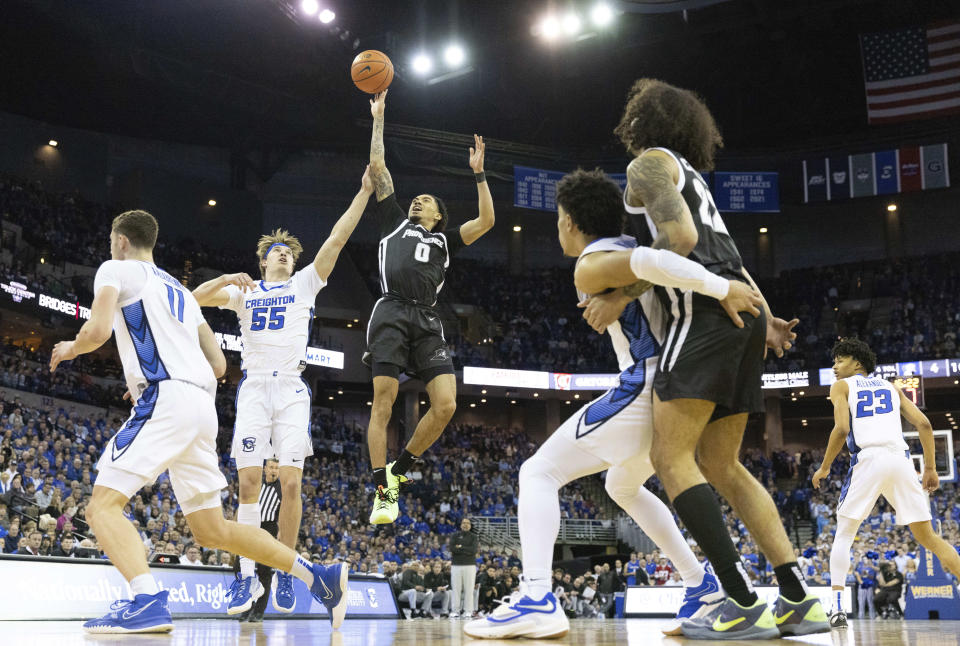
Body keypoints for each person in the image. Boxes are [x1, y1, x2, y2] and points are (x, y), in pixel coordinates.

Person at [465, 168, 764, 640]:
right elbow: (657, 260)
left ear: (570, 221)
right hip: (673, 387)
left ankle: (538, 596)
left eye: (559, 217)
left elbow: (659, 263)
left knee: (537, 472)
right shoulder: (624, 245)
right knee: (622, 486)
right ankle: (701, 584)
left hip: (644, 386)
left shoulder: (593, 260)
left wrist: (722, 288)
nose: (557, 226)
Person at [578, 79, 824, 640]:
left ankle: (738, 600)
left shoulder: (646, 166)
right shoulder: (690, 175)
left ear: (640, 122)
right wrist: (769, 316)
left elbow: (681, 240)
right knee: (723, 465)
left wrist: (620, 293)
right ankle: (796, 599)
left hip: (706, 316)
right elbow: (725, 250)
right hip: (742, 309)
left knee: (670, 457)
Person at [49, 209, 348, 634]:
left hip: (166, 398)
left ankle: (146, 599)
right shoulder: (177, 291)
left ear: (119, 241)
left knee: (101, 507)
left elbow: (97, 331)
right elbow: (219, 363)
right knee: (212, 530)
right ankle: (316, 576)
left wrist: (70, 348)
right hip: (200, 407)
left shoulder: (115, 269)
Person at [192, 169, 373, 615]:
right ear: (263, 262)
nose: (284, 256)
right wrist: (226, 280)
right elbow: (192, 298)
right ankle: (247, 578)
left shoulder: (304, 283)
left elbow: (336, 238)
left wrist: (364, 190)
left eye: (289, 253)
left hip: (291, 388)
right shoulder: (245, 291)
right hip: (253, 387)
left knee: (291, 482)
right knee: (249, 482)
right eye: (277, 252)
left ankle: (289, 572)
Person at [365, 90, 495, 524]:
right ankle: (383, 491)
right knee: (383, 401)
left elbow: (489, 222)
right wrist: (379, 118)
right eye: (415, 198)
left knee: (445, 405)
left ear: (439, 215)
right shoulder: (393, 220)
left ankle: (400, 471)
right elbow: (379, 169)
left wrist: (479, 175)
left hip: (426, 316)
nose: (417, 201)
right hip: (390, 310)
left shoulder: (445, 239)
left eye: (426, 200)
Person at [812, 338, 960, 628]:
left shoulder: (841, 387)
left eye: (839, 360)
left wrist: (825, 466)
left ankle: (838, 609)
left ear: (857, 363)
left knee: (844, 533)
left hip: (869, 459)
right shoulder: (893, 387)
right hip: (901, 459)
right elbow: (925, 425)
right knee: (928, 537)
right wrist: (929, 467)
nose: (834, 366)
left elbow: (841, 428)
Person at [235, 457, 283, 623]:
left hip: (269, 529)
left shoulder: (281, 489)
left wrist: (280, 534)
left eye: (277, 468)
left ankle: (259, 611)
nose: (274, 470)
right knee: (239, 566)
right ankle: (247, 605)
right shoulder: (258, 485)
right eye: (271, 467)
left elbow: (285, 513)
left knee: (264, 571)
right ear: (265, 468)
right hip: (251, 526)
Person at [449, 518, 478, 618]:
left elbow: (473, 550)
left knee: (469, 589)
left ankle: (468, 611)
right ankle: (455, 611)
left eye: (467, 523)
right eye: (464, 523)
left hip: (470, 565)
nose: (465, 525)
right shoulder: (454, 535)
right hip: (456, 565)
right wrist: (466, 549)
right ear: (461, 525)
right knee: (456, 589)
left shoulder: (474, 537)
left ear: (470, 526)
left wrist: (460, 547)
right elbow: (452, 548)